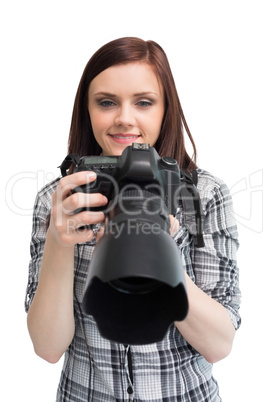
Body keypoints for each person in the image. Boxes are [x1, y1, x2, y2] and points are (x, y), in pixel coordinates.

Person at [25, 37, 241, 401]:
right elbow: (47, 348)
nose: (125, 118)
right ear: (87, 111)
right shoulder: (61, 198)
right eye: (106, 102)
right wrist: (59, 243)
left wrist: (161, 247)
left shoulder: (203, 195)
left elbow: (219, 344)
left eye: (143, 102)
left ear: (164, 109)